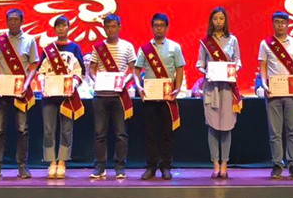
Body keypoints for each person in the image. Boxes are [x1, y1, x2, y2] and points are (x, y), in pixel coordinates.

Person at [0, 8, 38, 180]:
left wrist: (27, 84)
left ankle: (22, 166)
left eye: (16, 19)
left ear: (22, 21)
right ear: (6, 21)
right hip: (2, 91)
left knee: (22, 129)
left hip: (20, 92)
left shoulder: (29, 40)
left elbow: (33, 66)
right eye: (10, 19)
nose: (13, 22)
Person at [134, 12, 185, 181]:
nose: (159, 28)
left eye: (162, 25)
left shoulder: (174, 47)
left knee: (166, 135)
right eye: (156, 25)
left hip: (167, 98)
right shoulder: (144, 49)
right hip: (150, 98)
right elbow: (136, 70)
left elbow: (179, 69)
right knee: (150, 134)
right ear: (152, 27)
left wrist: (177, 88)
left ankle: (165, 167)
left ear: (167, 27)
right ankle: (150, 167)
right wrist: (139, 87)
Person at [258, 11, 293, 179]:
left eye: (283, 22)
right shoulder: (266, 44)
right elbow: (262, 67)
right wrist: (264, 84)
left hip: (291, 92)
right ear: (272, 24)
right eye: (277, 22)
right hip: (273, 92)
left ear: (288, 24)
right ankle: (277, 164)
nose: (280, 25)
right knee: (275, 132)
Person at [196, 6, 242, 179]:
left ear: (225, 20)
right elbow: (200, 64)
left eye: (221, 18)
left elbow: (238, 62)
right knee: (213, 127)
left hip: (228, 88)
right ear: (211, 21)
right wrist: (207, 72)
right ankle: (215, 163)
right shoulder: (205, 42)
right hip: (211, 88)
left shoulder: (232, 40)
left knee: (227, 127)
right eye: (215, 18)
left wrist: (233, 69)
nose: (218, 22)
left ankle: (225, 164)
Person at [89, 13, 136, 180]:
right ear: (104, 28)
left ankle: (120, 167)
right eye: (107, 27)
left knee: (121, 133)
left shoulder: (127, 47)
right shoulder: (98, 47)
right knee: (99, 133)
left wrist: (124, 81)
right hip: (100, 96)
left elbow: (133, 70)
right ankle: (99, 167)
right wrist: (96, 80)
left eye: (113, 26)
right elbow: (92, 69)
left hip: (119, 96)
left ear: (119, 27)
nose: (110, 29)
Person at [39, 16, 84, 179]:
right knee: (48, 129)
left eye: (64, 25)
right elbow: (41, 71)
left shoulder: (75, 48)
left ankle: (62, 161)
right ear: (54, 29)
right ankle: (51, 161)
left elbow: (80, 72)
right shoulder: (48, 49)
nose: (61, 28)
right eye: (58, 26)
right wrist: (43, 85)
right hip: (49, 96)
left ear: (68, 27)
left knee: (66, 129)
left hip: (67, 96)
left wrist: (73, 84)